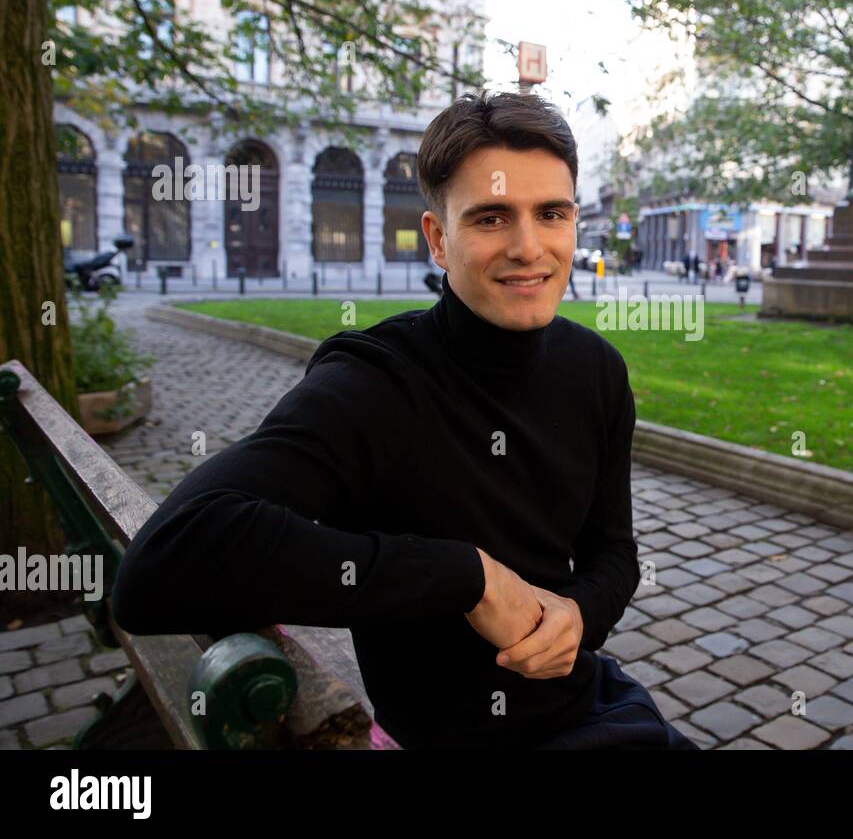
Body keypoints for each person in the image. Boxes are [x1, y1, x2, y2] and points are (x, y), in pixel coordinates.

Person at [112, 91, 698, 751]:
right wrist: (468, 578)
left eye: (552, 213)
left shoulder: (595, 369)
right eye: (492, 218)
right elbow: (162, 563)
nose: (530, 247)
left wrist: (580, 614)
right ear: (439, 239)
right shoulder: (373, 383)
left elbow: (612, 551)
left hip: (592, 703)